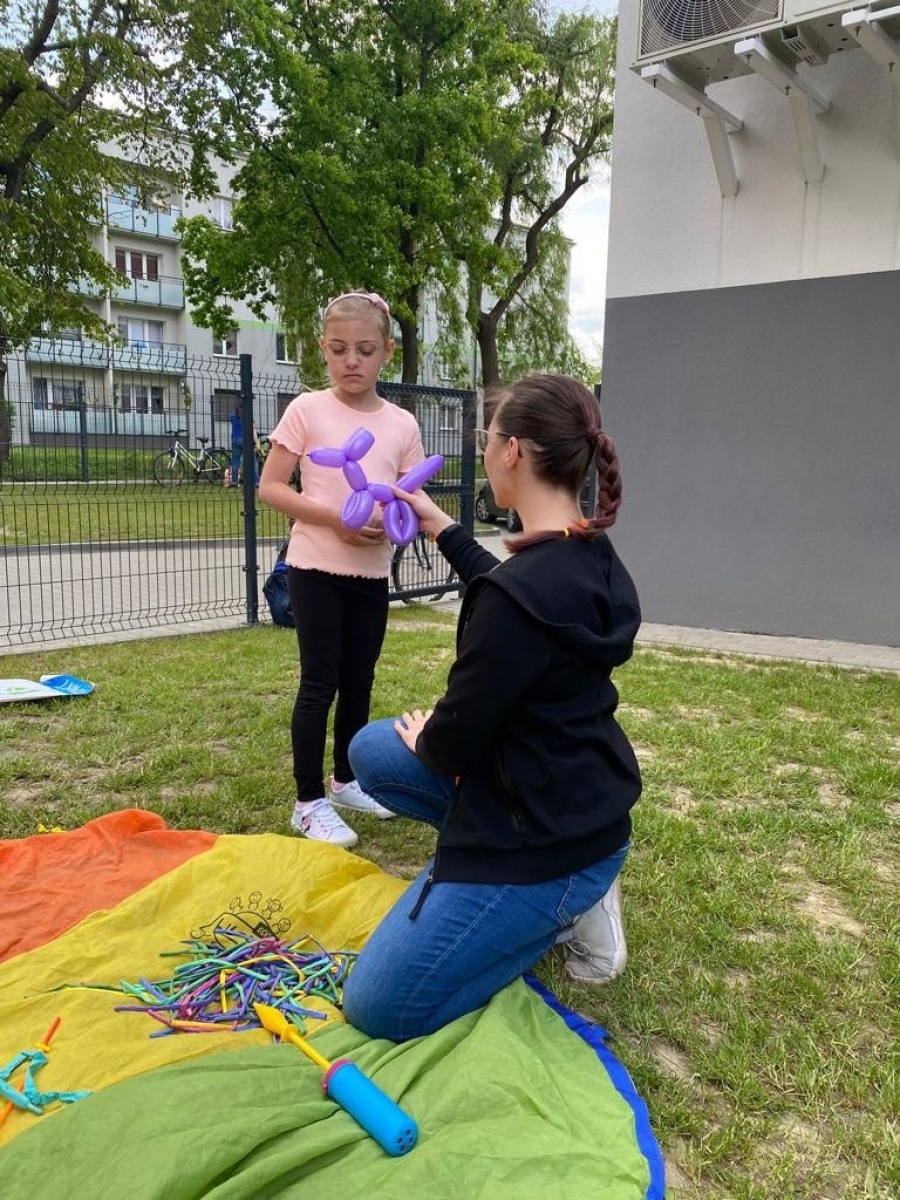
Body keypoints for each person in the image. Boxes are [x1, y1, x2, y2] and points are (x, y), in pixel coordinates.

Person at [340, 373, 642, 1043]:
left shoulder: (518, 600)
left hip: (545, 840)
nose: (483, 450)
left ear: (512, 452)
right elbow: (516, 593)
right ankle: (539, 894)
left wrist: (431, 742)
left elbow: (450, 747)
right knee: (370, 751)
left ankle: (561, 909)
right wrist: (443, 528)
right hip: (575, 796)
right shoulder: (591, 553)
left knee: (378, 1004)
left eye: (487, 437)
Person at [258, 292, 427, 849]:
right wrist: (336, 519)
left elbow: (407, 494)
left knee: (360, 683)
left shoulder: (402, 423)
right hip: (314, 568)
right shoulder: (307, 410)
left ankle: (345, 781)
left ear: (386, 352)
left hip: (371, 574)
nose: (351, 360)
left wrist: (400, 520)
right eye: (338, 349)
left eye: (364, 349)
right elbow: (271, 488)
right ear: (322, 351)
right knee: (319, 683)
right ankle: (307, 803)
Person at [228, 402, 260, 488]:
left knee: (235, 461)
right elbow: (253, 431)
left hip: (234, 440)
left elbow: (232, 419)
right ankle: (256, 482)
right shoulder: (248, 417)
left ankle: (234, 482)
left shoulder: (232, 416)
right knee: (253, 461)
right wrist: (257, 443)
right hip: (245, 440)